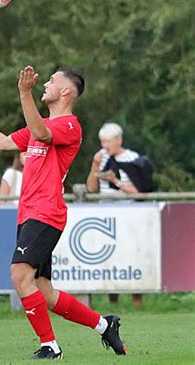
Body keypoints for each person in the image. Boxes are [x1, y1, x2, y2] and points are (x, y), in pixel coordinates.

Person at [0, 65, 127, 359]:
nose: (44, 84)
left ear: (65, 91)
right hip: (29, 214)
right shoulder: (41, 125)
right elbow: (3, 142)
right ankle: (104, 325)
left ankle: (50, 346)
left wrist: (25, 93)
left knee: (19, 275)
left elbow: (40, 131)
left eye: (51, 81)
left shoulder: (69, 125)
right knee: (43, 291)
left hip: (46, 213)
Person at [86, 122, 143, 307]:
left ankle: (137, 303)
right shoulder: (100, 159)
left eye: (108, 141)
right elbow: (91, 188)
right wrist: (95, 165)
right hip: (106, 216)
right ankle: (114, 303)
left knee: (132, 258)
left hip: (129, 215)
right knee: (110, 259)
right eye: (102, 141)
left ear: (119, 140)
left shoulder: (133, 158)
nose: (104, 146)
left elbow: (138, 190)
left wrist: (116, 182)